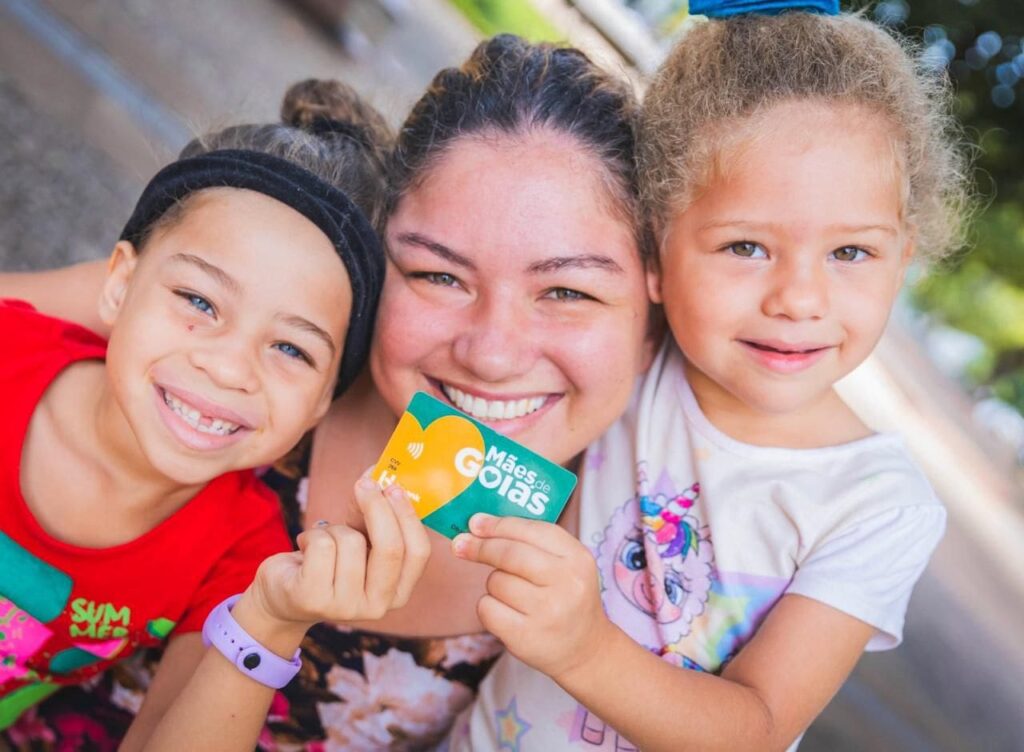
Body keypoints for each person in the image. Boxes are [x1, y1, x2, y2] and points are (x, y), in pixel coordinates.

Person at [0, 36, 656, 750]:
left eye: (567, 290)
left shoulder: (655, 565)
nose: (492, 355)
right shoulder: (261, 316)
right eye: (438, 275)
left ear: (656, 315)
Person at [444, 5, 972, 751]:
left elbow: (756, 727)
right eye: (747, 246)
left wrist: (584, 649)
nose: (799, 299)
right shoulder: (634, 358)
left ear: (904, 255)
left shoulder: (877, 507)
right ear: (657, 254)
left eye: (851, 253)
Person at [0, 79, 428, 745]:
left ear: (321, 402)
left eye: (290, 347)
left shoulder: (246, 561)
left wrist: (273, 622)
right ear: (118, 283)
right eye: (200, 301)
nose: (229, 367)